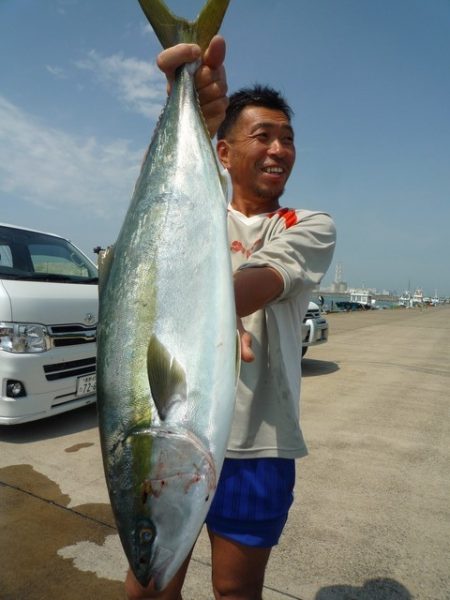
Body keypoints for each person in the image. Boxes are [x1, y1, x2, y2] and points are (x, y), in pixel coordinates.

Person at [126, 35, 336, 600]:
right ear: (222, 152)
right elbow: (151, 224)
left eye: (287, 139)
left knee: (236, 593)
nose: (278, 150)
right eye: (262, 136)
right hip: (174, 434)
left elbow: (258, 284)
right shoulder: (188, 213)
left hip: (258, 446)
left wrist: (211, 316)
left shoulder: (307, 224)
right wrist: (185, 108)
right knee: (150, 581)